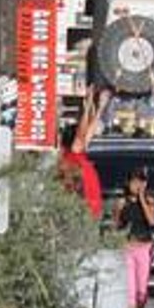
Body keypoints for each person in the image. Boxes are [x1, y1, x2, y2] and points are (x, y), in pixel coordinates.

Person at [114, 166, 154, 308]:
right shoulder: (121, 202)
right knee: (130, 290)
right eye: (134, 181)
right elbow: (116, 225)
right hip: (128, 248)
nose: (137, 184)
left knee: (142, 291)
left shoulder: (150, 201)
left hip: (144, 248)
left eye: (141, 181)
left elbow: (152, 221)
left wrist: (142, 199)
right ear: (129, 182)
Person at [54, 87, 109, 219]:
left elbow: (83, 133)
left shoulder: (72, 157)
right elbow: (85, 134)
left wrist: (91, 105)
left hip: (87, 205)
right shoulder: (73, 157)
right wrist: (95, 107)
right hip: (88, 205)